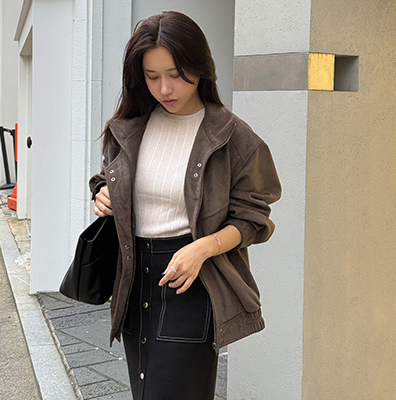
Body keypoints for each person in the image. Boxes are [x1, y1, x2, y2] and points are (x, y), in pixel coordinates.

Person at [89, 10, 281, 400]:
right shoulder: (130, 127)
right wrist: (102, 192)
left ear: (200, 67)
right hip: (132, 281)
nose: (165, 88)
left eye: (176, 74)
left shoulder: (233, 137)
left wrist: (202, 248)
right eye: (152, 76)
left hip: (190, 283)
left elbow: (253, 218)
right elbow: (108, 176)